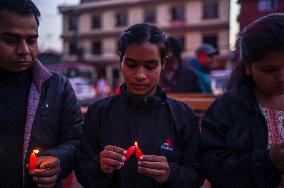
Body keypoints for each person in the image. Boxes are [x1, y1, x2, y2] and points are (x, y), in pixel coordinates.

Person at [75, 23, 203, 188]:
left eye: (150, 66)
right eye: (131, 65)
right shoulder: (98, 113)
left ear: (163, 63)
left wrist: (171, 173)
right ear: (120, 60)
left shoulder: (183, 116)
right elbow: (81, 171)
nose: (140, 75)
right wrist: (99, 166)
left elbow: (197, 174)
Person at [0, 0, 83, 187]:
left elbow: (76, 140)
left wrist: (58, 159)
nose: (24, 50)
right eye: (10, 41)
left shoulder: (58, 87)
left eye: (31, 40)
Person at [200, 13, 284, 187]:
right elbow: (212, 165)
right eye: (269, 70)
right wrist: (268, 160)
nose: (282, 77)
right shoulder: (227, 109)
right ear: (248, 67)